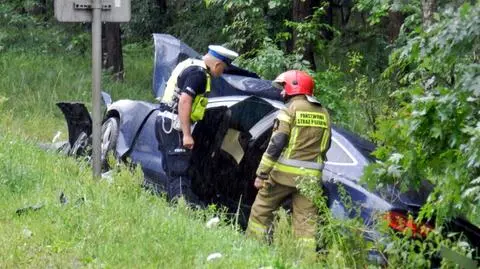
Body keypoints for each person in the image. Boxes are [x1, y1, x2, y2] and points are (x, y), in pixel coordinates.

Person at [246, 70, 332, 254]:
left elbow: (276, 144)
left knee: (261, 210)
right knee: (306, 225)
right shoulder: (324, 113)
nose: (282, 93)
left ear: (295, 86)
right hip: (310, 179)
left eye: (284, 88)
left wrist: (261, 174)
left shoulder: (289, 110)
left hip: (282, 176)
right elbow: (327, 144)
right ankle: (305, 261)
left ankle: (251, 249)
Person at [155, 45, 238, 203]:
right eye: (223, 69)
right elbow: (185, 100)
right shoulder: (199, 74)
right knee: (180, 171)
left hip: (164, 121)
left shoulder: (191, 64)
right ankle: (181, 210)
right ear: (217, 65)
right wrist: (186, 134)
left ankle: (173, 204)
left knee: (172, 170)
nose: (221, 74)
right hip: (174, 125)